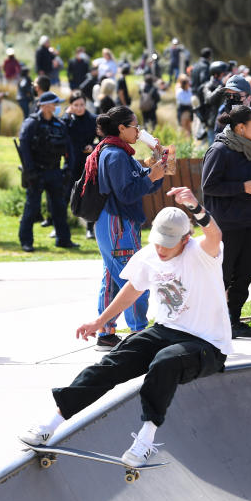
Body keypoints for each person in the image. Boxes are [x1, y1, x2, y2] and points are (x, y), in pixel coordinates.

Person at [19, 187, 230, 468]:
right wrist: (100, 321)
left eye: (169, 244)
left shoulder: (202, 252)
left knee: (165, 362)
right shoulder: (149, 256)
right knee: (112, 362)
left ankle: (146, 439)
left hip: (207, 344)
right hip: (165, 331)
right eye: (158, 242)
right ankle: (51, 423)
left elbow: (215, 234)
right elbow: (131, 290)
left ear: (186, 238)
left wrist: (195, 207)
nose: (162, 250)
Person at [86, 106, 165, 350]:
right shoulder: (115, 155)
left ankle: (106, 333)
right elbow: (126, 193)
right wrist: (150, 176)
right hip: (118, 224)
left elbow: (143, 185)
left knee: (112, 278)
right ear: (122, 128)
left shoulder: (120, 153)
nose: (138, 131)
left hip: (112, 223)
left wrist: (156, 167)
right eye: (135, 126)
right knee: (135, 276)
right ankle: (139, 332)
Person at [201, 105, 251, 338]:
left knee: (245, 273)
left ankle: (233, 320)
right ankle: (212, 321)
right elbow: (208, 187)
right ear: (240, 128)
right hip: (226, 224)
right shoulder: (219, 150)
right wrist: (242, 187)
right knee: (222, 274)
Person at [17, 91, 80, 252]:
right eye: (54, 103)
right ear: (45, 106)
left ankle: (63, 240)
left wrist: (67, 169)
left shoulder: (59, 125)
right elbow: (24, 147)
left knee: (59, 207)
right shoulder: (31, 123)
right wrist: (30, 170)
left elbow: (68, 148)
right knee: (32, 207)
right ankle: (26, 241)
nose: (57, 107)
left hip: (55, 172)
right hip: (36, 173)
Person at [63, 90, 98, 239]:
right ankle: (59, 226)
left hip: (87, 164)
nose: (79, 108)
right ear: (70, 105)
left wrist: (93, 146)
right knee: (64, 196)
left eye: (82, 104)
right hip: (70, 163)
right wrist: (66, 114)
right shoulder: (67, 120)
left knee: (88, 196)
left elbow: (102, 139)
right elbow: (60, 131)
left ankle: (89, 228)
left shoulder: (92, 119)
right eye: (75, 105)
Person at [198, 61, 229, 144]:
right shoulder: (207, 86)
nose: (225, 76)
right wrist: (222, 85)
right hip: (213, 122)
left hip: (225, 121)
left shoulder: (226, 86)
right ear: (216, 75)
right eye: (223, 74)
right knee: (213, 146)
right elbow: (209, 99)